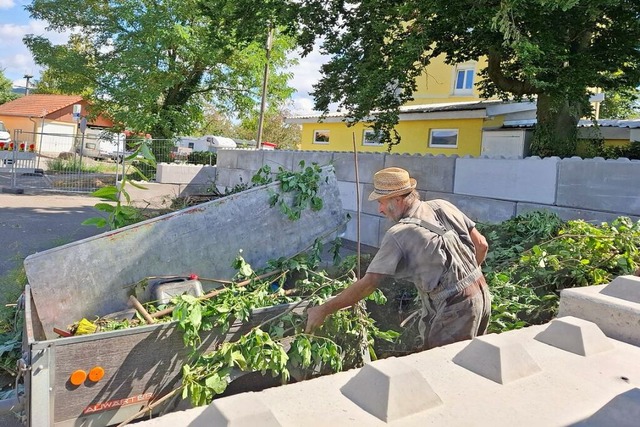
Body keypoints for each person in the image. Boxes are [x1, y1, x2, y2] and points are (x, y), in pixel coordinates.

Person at [305, 167, 491, 350]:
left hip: (454, 308)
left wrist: (324, 310)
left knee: (442, 368)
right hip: (482, 295)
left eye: (382, 202)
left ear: (397, 199)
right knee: (469, 361)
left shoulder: (399, 233)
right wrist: (467, 281)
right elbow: (482, 245)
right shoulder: (443, 205)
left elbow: (369, 284)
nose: (380, 209)